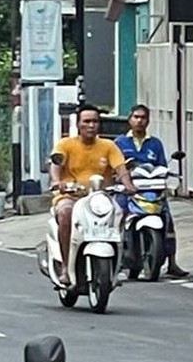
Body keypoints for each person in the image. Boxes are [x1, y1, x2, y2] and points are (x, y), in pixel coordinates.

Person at [50, 104, 134, 274]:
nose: (91, 125)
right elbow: (55, 164)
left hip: (100, 199)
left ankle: (122, 261)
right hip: (71, 197)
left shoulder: (108, 146)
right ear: (78, 125)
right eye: (86, 121)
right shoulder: (65, 144)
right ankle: (66, 266)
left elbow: (120, 168)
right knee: (65, 214)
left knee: (121, 213)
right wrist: (57, 181)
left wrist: (128, 185)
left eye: (95, 121)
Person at [114, 104, 184, 276]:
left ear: (148, 120)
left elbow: (161, 166)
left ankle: (172, 262)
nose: (139, 121)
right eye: (136, 117)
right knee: (116, 217)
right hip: (128, 190)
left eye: (143, 117)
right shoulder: (120, 143)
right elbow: (114, 166)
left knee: (167, 220)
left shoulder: (155, 143)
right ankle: (115, 259)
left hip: (151, 189)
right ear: (129, 119)